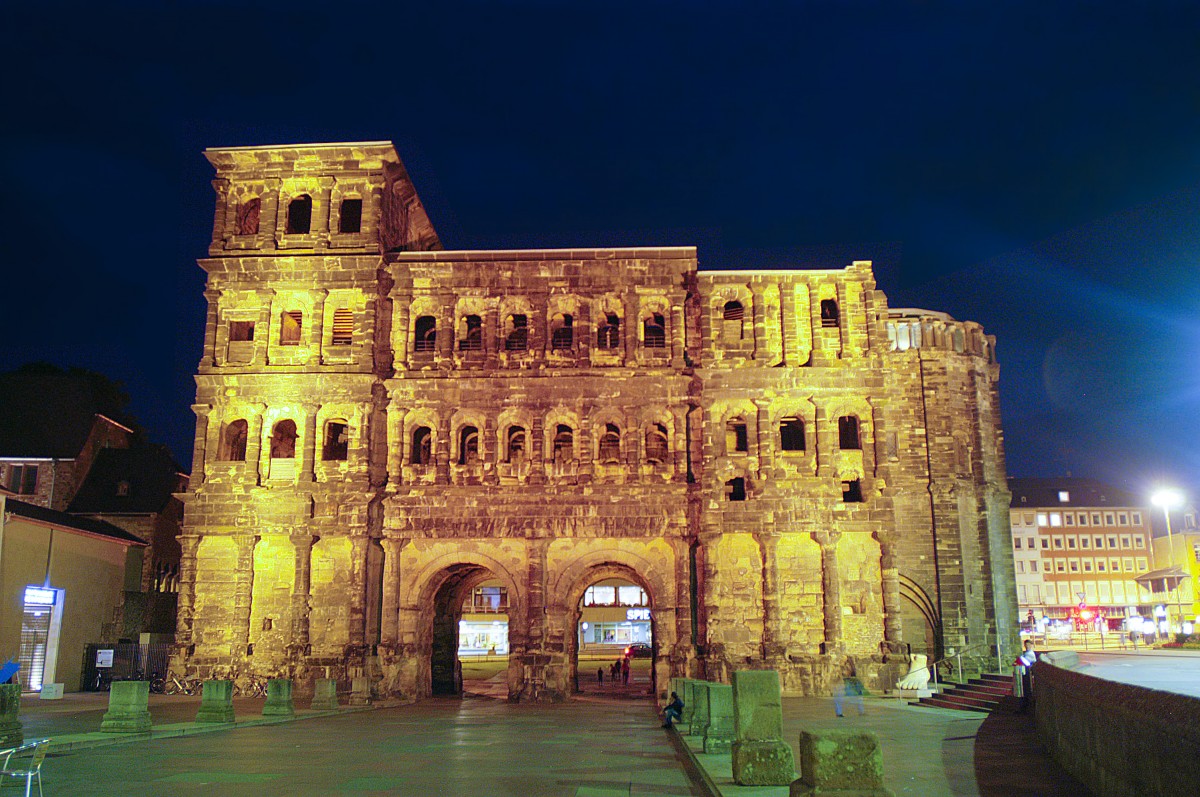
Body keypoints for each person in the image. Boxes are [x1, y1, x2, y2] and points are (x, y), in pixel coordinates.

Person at [1015, 639, 1037, 712]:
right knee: (1023, 690)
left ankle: (1026, 708)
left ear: (1031, 645)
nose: (1027, 646)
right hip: (1023, 673)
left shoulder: (1030, 654)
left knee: (1026, 690)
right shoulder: (1026, 653)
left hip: (1027, 674)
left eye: (1028, 645)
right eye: (1025, 645)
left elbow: (1025, 662)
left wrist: (1019, 659)